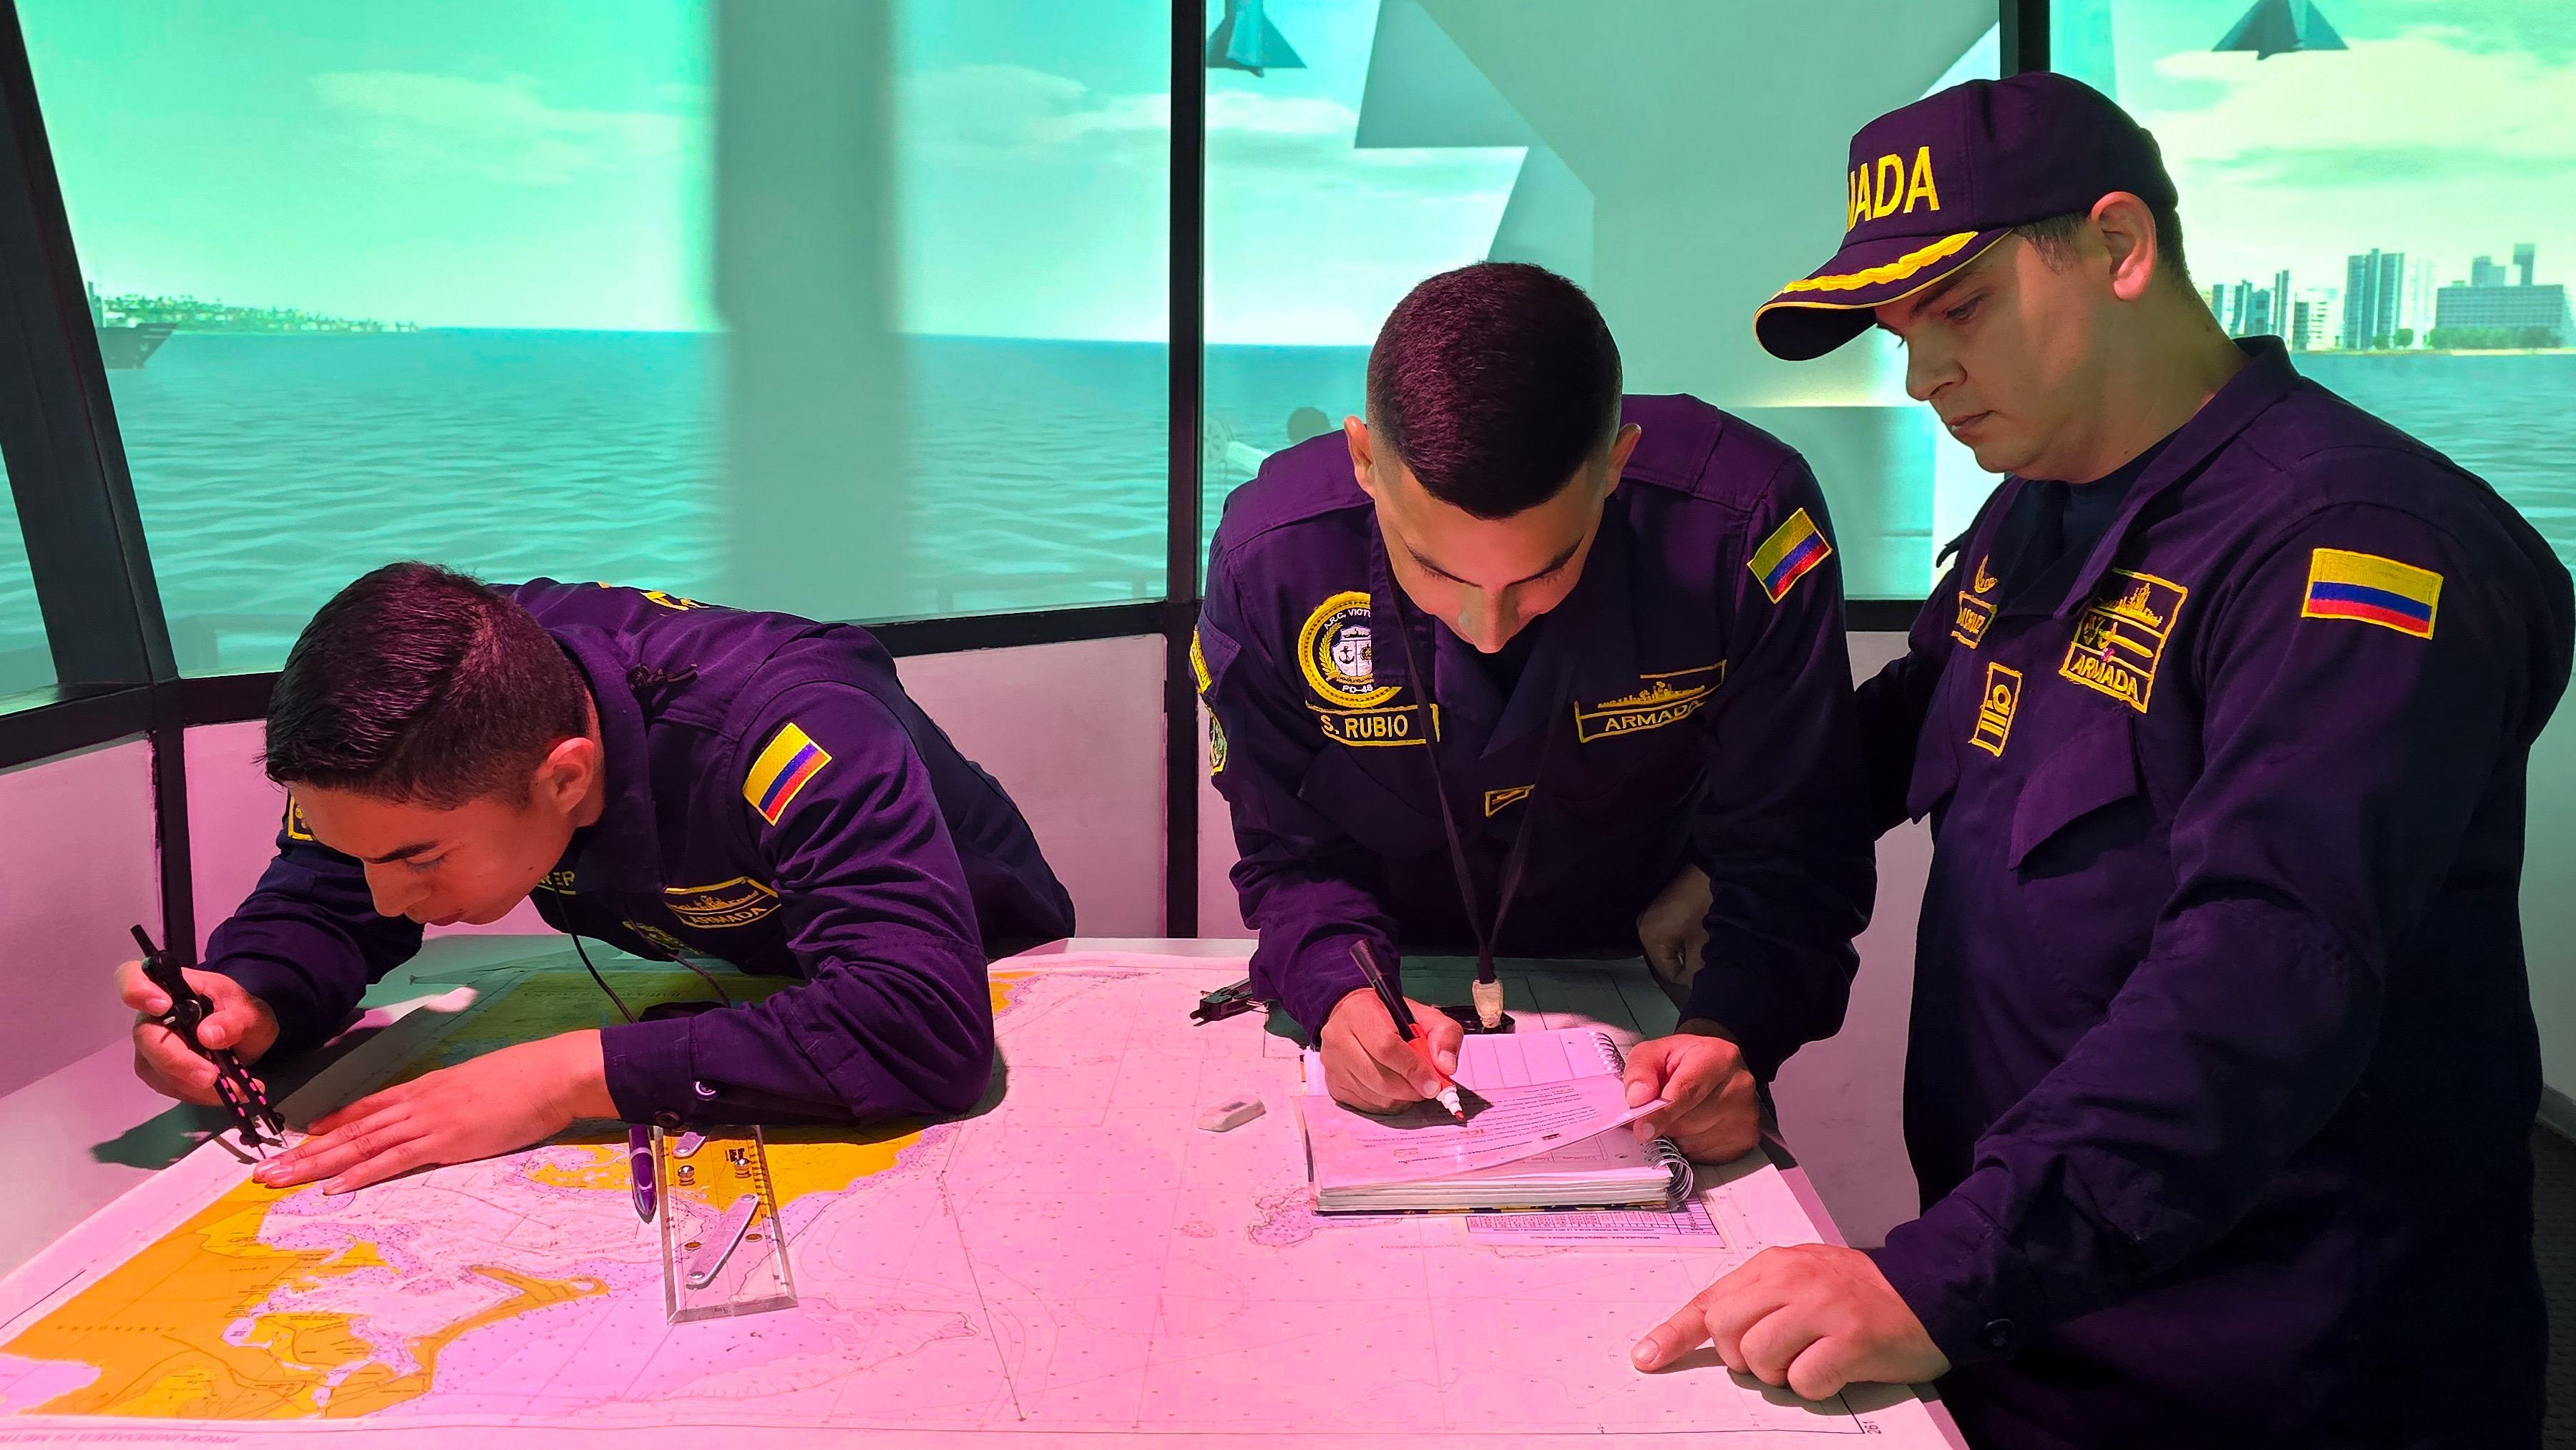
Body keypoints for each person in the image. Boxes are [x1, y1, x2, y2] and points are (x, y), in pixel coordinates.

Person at [1631, 74, 2570, 1449]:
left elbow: (2262, 978)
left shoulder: (2350, 552)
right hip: (2042, 1311)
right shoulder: (2051, 509)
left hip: (2282, 1360)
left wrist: (1929, 1279)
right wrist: (1721, 864)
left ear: (2122, 248)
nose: (1922, 374)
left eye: (1958, 309)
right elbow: (1918, 720)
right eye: (1899, 331)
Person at [1195, 262, 1874, 1161]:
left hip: (1644, 975)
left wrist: (1735, 1026)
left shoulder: (1745, 527)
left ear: (1617, 468)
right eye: (1436, 571)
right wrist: (1338, 991)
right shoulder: (1272, 559)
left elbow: (1795, 841)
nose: (1485, 626)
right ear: (1365, 461)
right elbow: (1288, 851)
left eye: (1543, 572)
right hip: (1386, 969)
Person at [119, 564, 1075, 1193]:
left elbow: (916, 1026)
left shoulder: (793, 725)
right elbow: (325, 892)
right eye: (362, 851)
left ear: (566, 773)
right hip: (752, 990)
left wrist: (563, 1076)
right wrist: (254, 991)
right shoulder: (456, 701)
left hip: (996, 982)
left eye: (415, 859)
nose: (382, 896)